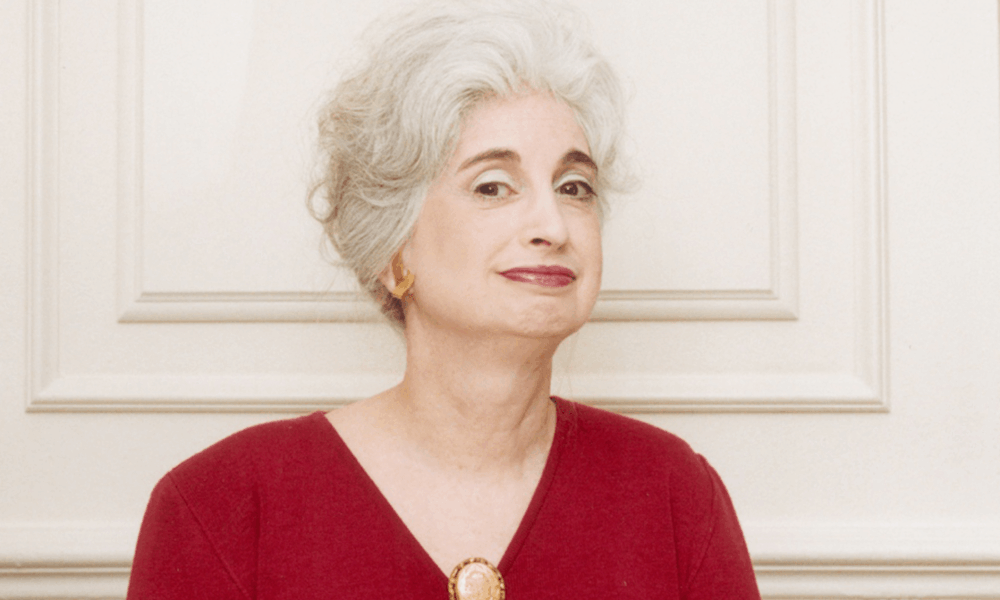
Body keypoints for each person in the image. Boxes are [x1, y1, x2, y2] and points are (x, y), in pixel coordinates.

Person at [126, 1, 760, 598]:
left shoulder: (675, 492)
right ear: (393, 248)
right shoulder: (221, 507)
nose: (553, 226)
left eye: (574, 186)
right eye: (493, 187)